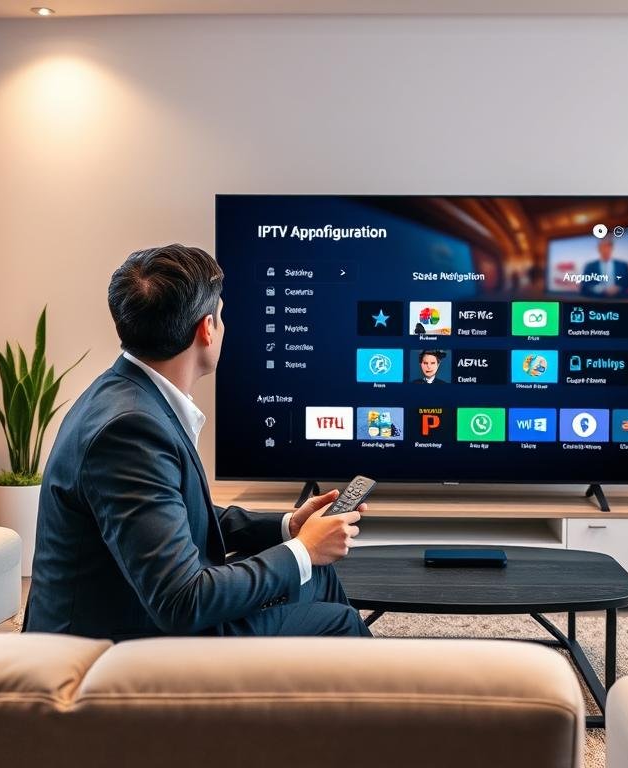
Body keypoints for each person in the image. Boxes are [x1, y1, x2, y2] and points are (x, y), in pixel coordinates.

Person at [24, 244, 371, 640]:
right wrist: (303, 550)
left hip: (134, 608)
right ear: (207, 329)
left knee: (317, 578)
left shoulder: (125, 395)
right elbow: (182, 602)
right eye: (222, 317)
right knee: (337, 620)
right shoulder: (130, 430)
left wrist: (290, 527)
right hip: (122, 641)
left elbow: (174, 510)